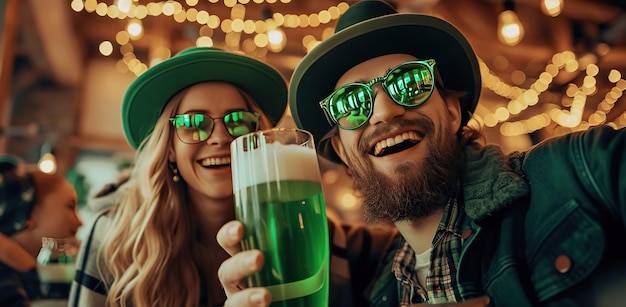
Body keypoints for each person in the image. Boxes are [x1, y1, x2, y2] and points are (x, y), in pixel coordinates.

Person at [217, 0, 626, 306]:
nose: (383, 111)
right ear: (341, 151)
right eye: (350, 104)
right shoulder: (379, 291)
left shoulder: (580, 172)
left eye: (409, 83)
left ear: (451, 112)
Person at [67, 46, 290, 307]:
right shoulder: (112, 234)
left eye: (238, 120)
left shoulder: (297, 228)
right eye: (193, 123)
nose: (220, 138)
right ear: (170, 148)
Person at [0, 157, 83, 306]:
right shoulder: (6, 284)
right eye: (70, 206)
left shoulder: (17, 274)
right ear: (30, 213)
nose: (79, 222)